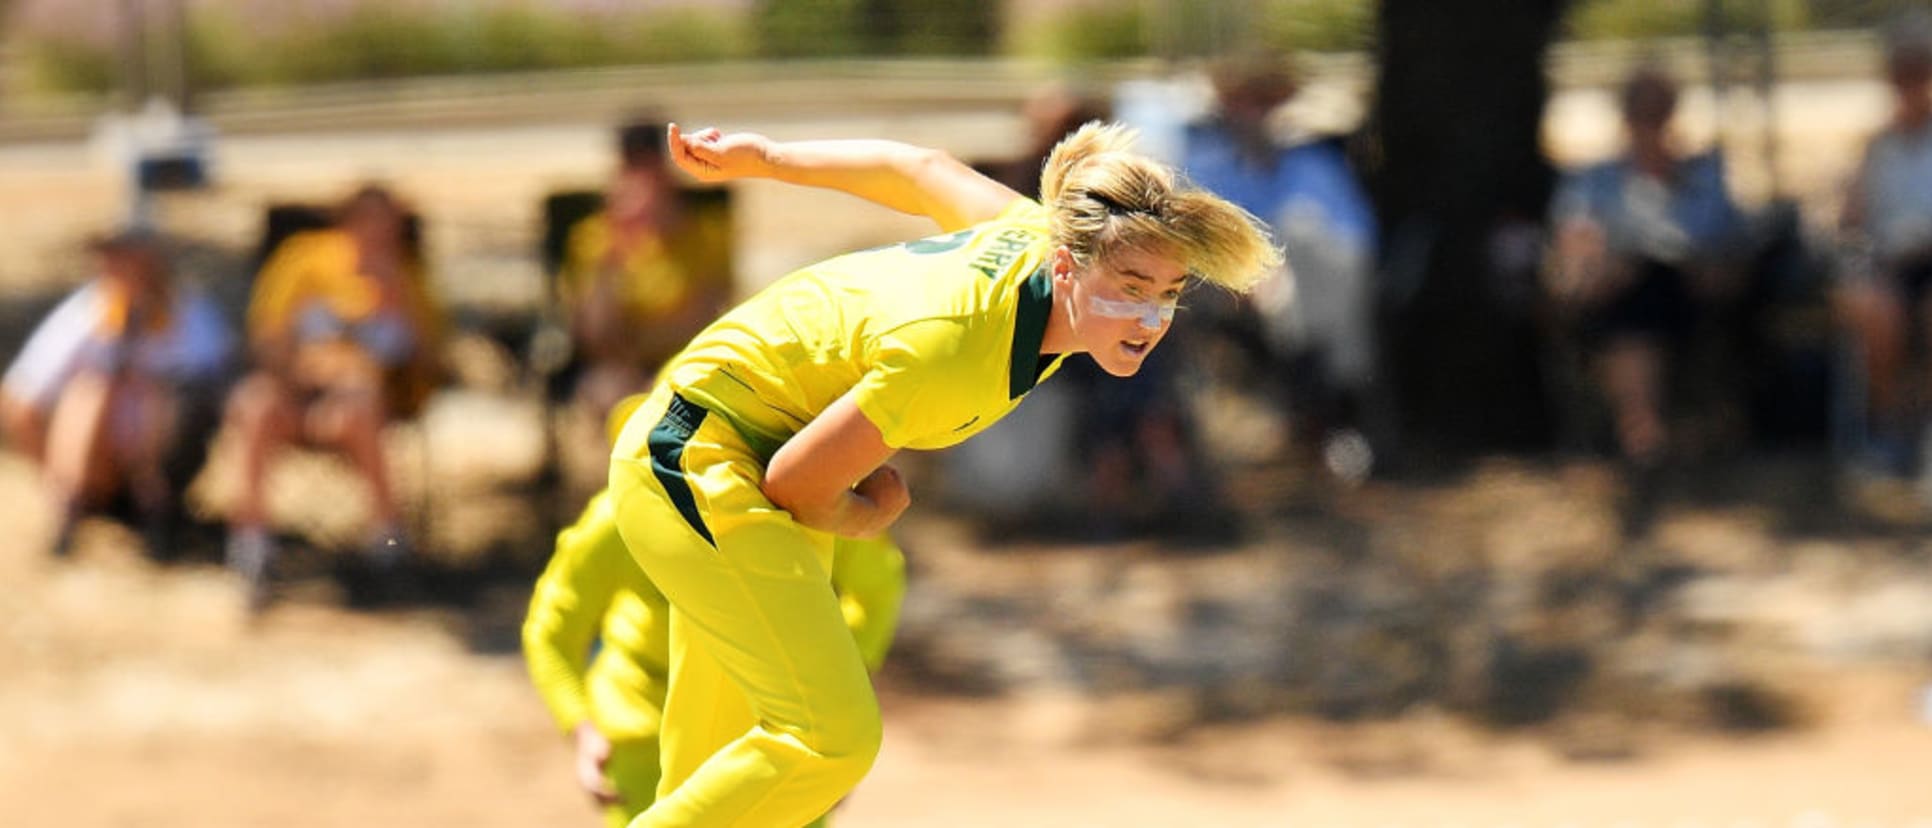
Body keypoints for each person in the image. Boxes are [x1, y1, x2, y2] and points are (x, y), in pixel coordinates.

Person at [602, 121, 1277, 826]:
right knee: (831, 742)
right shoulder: (956, 353)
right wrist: (865, 513)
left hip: (728, 452)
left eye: (1169, 293)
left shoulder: (1029, 236)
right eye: (1131, 285)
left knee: (720, 775)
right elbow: (794, 485)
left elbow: (916, 168)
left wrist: (772, 158)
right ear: (1068, 266)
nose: (1149, 318)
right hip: (695, 460)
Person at [524, 396, 905, 828]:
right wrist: (582, 728)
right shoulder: (616, 520)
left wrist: (840, 702)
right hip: (644, 730)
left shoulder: (811, 507)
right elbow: (551, 628)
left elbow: (878, 590)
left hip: (782, 730)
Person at [221, 184, 442, 607]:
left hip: (366, 405)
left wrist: (401, 307)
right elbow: (266, 338)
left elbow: (432, 362)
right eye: (369, 222)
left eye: (389, 227)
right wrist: (303, 367)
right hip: (296, 391)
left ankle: (387, 545)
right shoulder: (303, 259)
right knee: (254, 405)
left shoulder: (406, 274)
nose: (379, 235)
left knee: (359, 406)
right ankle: (252, 549)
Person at [1181, 52, 1381, 477]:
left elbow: (1357, 238)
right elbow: (1190, 244)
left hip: (1315, 293)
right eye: (1242, 102)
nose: (1251, 115)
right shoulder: (1203, 168)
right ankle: (1335, 412)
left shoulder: (1316, 166)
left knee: (1307, 239)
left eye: (1261, 102)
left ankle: (1324, 401)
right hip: (1225, 293)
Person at [1547, 63, 1746, 477]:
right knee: (1633, 295)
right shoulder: (1593, 181)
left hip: (1692, 299)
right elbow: (1571, 245)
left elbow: (1734, 251)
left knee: (1653, 287)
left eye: (1659, 111)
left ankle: (1642, 434)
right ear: (1626, 116)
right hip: (1615, 296)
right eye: (1642, 111)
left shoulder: (1703, 178)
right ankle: (1644, 433)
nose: (1650, 122)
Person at [0, 228, 232, 558]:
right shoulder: (89, 312)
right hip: (102, 456)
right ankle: (70, 502)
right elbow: (23, 391)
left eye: (123, 259)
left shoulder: (190, 313)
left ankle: (156, 512)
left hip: (164, 450)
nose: (111, 267)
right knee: (89, 392)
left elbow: (211, 386)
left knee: (161, 397)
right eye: (107, 259)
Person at [558, 120, 733, 423]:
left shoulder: (705, 233)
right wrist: (612, 254)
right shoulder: (594, 238)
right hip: (621, 366)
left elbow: (707, 317)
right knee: (609, 392)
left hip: (686, 359)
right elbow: (593, 337)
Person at [1837, 11, 1932, 476]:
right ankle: (1891, 430)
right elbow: (1852, 223)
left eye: (1919, 71)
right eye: (1902, 73)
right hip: (1891, 268)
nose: (1911, 84)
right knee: (1876, 311)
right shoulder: (1879, 148)